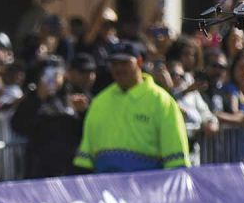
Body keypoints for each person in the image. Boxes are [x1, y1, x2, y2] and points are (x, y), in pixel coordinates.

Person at [74, 42, 190, 174]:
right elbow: (86, 159)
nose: (119, 68)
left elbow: (176, 160)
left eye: (125, 63)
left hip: (148, 184)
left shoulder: (162, 102)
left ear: (139, 62)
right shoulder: (99, 102)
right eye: (115, 64)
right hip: (105, 184)